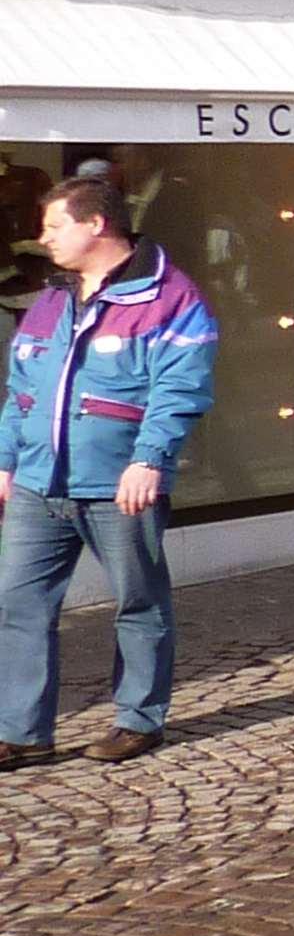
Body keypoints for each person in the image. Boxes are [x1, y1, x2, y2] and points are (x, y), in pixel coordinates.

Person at [0, 174, 215, 764]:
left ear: (96, 224)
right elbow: (21, 387)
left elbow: (180, 387)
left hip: (119, 482)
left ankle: (139, 719)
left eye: (54, 226)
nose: (43, 237)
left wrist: (150, 459)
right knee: (17, 603)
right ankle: (21, 733)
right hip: (40, 482)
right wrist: (5, 460)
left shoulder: (170, 296)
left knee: (138, 601)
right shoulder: (51, 297)